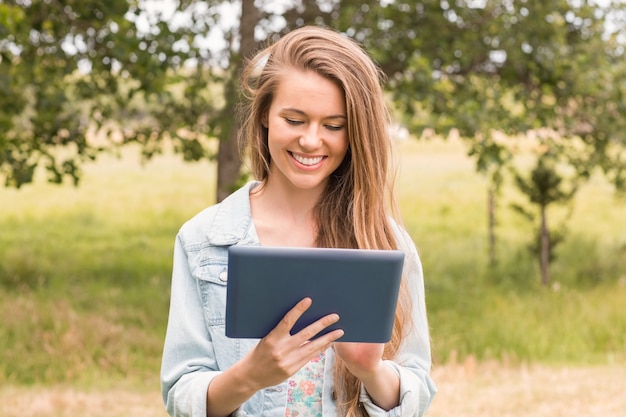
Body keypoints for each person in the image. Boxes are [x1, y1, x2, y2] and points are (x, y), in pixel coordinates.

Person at [160, 25, 437, 417]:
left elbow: (416, 392)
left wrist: (370, 371)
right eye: (294, 119)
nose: (311, 140)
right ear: (265, 117)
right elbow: (181, 393)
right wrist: (251, 376)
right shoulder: (205, 239)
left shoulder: (386, 242)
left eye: (333, 125)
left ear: (356, 132)